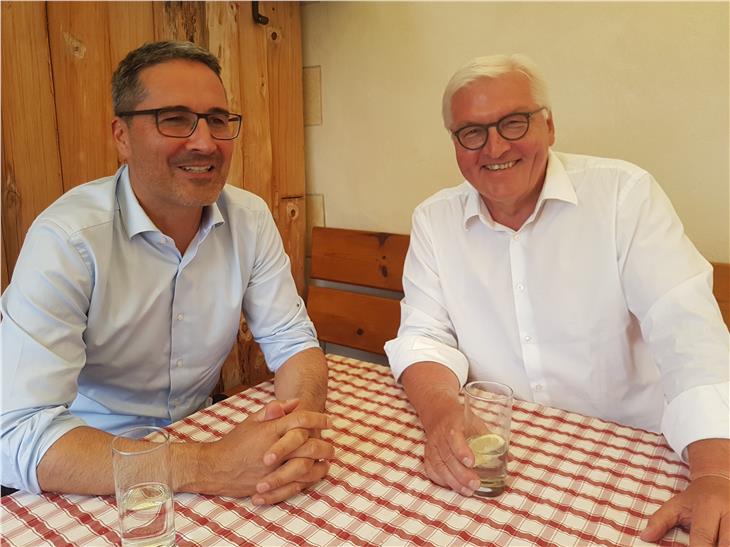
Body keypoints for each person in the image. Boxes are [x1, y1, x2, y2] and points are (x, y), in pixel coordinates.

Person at [384, 54, 729, 545]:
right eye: (472, 132)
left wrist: (716, 475)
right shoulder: (433, 220)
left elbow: (686, 329)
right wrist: (441, 411)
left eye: (513, 122)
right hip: (507, 457)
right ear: (456, 144)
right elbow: (423, 334)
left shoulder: (623, 195)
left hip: (636, 451)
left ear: (549, 125)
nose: (495, 146)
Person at [1, 41, 333, 505]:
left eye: (218, 120)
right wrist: (209, 465)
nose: (205, 142)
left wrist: (294, 435)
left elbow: (294, 343)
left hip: (200, 441)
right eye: (173, 119)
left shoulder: (250, 218)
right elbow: (15, 433)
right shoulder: (68, 238)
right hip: (88, 471)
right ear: (121, 135)